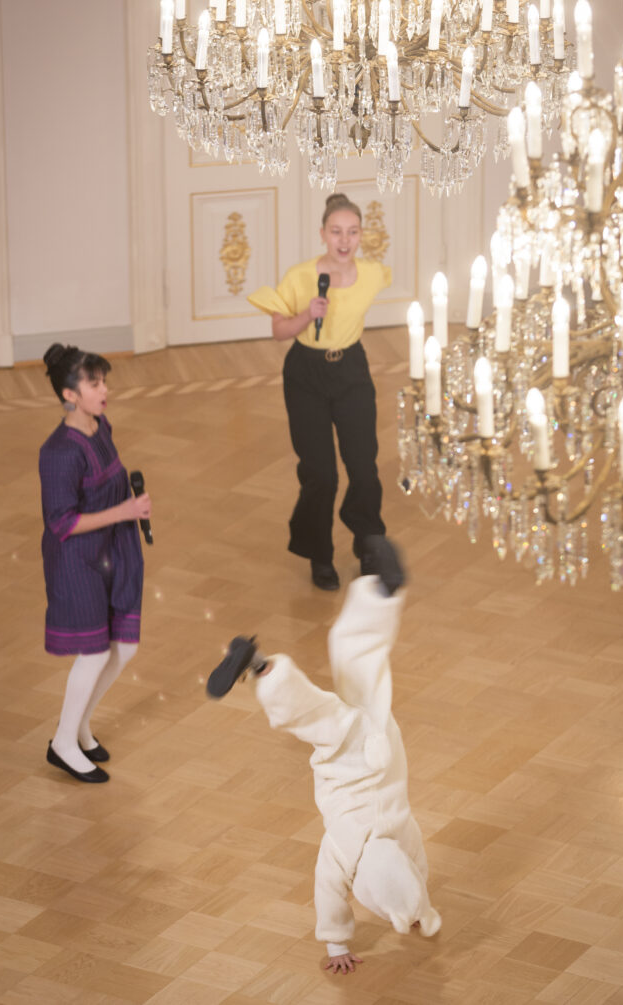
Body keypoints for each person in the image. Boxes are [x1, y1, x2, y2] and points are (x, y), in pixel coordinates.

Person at [207, 537, 441, 971]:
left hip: (383, 743)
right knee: (314, 716)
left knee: (361, 670)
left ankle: (378, 591)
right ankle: (262, 668)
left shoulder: (402, 834)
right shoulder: (342, 852)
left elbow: (416, 867)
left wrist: (417, 906)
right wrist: (338, 944)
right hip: (350, 764)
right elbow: (328, 893)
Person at [248, 192, 391, 591]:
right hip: (306, 374)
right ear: (322, 234)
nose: (344, 241)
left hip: (352, 370)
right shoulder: (300, 277)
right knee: (320, 475)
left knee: (363, 466)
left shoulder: (374, 274)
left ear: (361, 235)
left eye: (352, 232)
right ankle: (320, 555)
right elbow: (279, 332)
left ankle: (367, 544)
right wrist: (306, 314)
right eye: (336, 232)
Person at [39, 343, 151, 784]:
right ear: (69, 394)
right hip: (77, 562)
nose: (104, 389)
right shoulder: (59, 453)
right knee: (94, 652)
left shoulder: (100, 425)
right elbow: (61, 522)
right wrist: (125, 512)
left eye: (103, 381)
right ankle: (63, 743)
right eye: (94, 383)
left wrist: (130, 507)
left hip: (112, 551)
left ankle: (81, 726)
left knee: (125, 646)